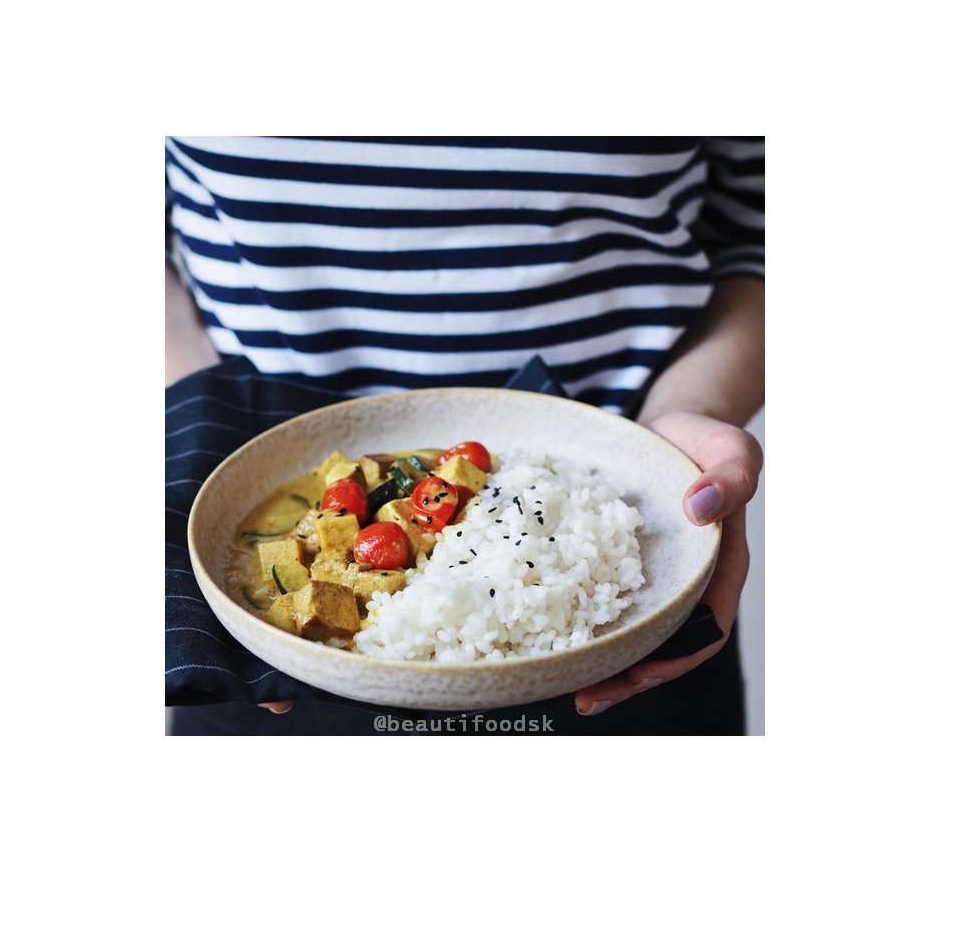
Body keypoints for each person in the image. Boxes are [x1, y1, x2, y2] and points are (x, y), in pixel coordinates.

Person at [166, 136, 763, 735]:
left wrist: (689, 412)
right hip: (246, 614)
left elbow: (757, 235)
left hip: (625, 571)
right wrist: (199, 411)